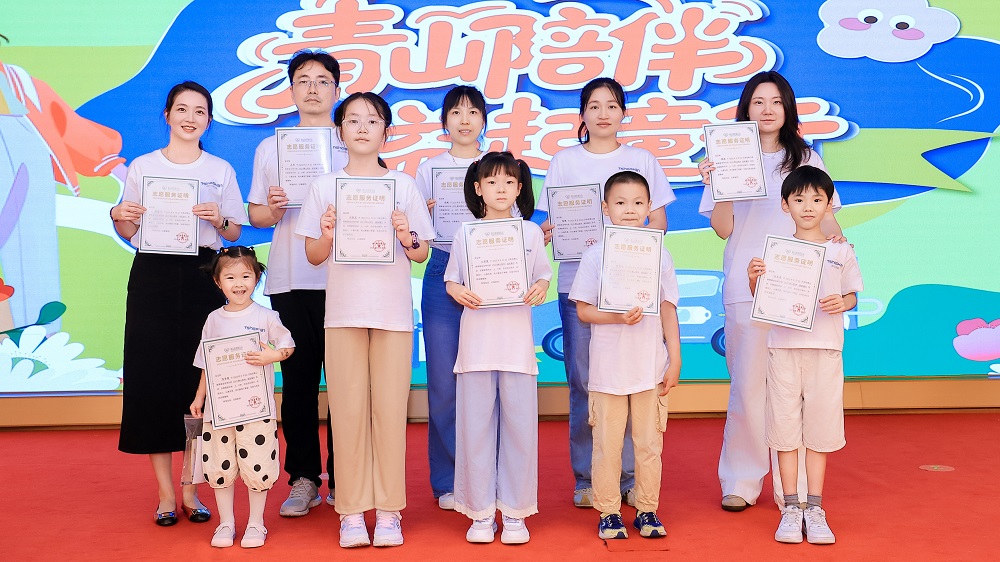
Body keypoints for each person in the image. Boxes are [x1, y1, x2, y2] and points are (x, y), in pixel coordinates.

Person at [698, 70, 845, 512]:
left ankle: (792, 491)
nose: (767, 110)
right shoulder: (727, 155)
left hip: (798, 289)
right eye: (758, 101)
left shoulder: (807, 158)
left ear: (788, 109)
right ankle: (741, 480)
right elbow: (723, 229)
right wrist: (717, 184)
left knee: (791, 390)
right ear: (746, 108)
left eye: (776, 102)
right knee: (747, 387)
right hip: (747, 285)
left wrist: (840, 253)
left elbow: (828, 218)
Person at [296, 92, 433, 548]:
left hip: (392, 314)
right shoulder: (325, 186)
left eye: (371, 120)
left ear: (385, 131)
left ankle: (390, 512)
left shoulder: (403, 185)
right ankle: (351, 512)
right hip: (343, 313)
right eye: (352, 120)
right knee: (348, 412)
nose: (361, 127)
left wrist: (405, 234)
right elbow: (313, 255)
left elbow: (420, 253)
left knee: (390, 412)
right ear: (340, 131)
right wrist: (328, 234)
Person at [112, 81, 246, 526]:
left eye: (200, 111)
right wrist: (118, 216)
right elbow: (129, 230)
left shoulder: (220, 168)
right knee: (151, 379)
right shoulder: (144, 166)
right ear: (167, 115)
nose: (191, 118)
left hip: (202, 276)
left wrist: (219, 218)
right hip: (152, 275)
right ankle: (165, 493)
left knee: (198, 381)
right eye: (182, 109)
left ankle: (191, 487)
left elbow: (234, 232)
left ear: (209, 120)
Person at [537, 77, 675, 508]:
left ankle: (629, 478)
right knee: (585, 384)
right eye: (594, 106)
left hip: (635, 294)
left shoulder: (641, 159)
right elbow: (551, 222)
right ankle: (588, 479)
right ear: (582, 114)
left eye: (612, 105)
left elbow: (659, 222)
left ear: (623, 113)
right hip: (579, 289)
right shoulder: (564, 161)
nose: (602, 114)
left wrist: (629, 252)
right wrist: (547, 233)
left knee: (635, 385)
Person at [247, 50, 347, 517]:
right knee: (300, 384)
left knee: (347, 385)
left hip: (346, 281)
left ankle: (346, 478)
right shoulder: (271, 148)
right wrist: (272, 207)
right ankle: (304, 478)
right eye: (303, 80)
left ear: (336, 90)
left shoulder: (353, 141)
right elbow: (256, 215)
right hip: (291, 279)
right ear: (291, 90)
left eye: (323, 80)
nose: (312, 88)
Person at [747, 166, 862, 544]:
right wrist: (754, 278)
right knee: (783, 429)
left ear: (829, 205)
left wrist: (843, 302)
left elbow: (852, 294)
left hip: (826, 350)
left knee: (819, 430)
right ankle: (791, 508)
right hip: (783, 348)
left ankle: (815, 508)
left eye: (817, 199)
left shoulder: (841, 249)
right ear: (785, 205)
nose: (808, 207)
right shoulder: (776, 251)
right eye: (799, 199)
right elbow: (762, 299)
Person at [445, 151, 551, 544]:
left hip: (517, 347)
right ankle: (480, 512)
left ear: (520, 188)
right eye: (491, 182)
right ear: (478, 189)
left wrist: (540, 287)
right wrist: (457, 291)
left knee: (520, 430)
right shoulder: (465, 233)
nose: (500, 189)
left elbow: (543, 276)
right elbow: (452, 280)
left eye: (509, 181)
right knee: (475, 430)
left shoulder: (530, 233)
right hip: (476, 346)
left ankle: (516, 512)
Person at [569, 171, 680, 540]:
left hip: (650, 367)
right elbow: (583, 310)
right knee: (607, 445)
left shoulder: (660, 253)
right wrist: (616, 317)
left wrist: (675, 359)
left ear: (649, 208)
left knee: (649, 445)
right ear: (606, 208)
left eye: (637, 203)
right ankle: (609, 511)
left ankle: (647, 508)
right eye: (620, 202)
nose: (629, 210)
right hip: (608, 370)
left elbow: (668, 308)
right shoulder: (594, 255)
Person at [189, 246, 295, 548]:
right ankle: (226, 523)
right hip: (219, 409)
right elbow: (206, 362)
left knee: (257, 464)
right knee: (220, 465)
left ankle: (256, 523)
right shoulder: (213, 319)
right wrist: (199, 397)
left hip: (256, 408)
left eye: (246, 276)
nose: (239, 283)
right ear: (217, 281)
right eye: (230, 277)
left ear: (257, 278)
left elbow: (288, 346)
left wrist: (273, 355)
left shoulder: (267, 316)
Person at [414, 85, 487, 511]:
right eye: (456, 112)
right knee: (443, 382)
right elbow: (417, 239)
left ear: (483, 120)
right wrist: (421, 215)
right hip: (442, 267)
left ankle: (485, 474)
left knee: (486, 379)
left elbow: (514, 221)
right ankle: (447, 480)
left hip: (489, 270)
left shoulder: (497, 164)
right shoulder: (429, 169)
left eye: (473, 112)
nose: (464, 119)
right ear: (444, 121)